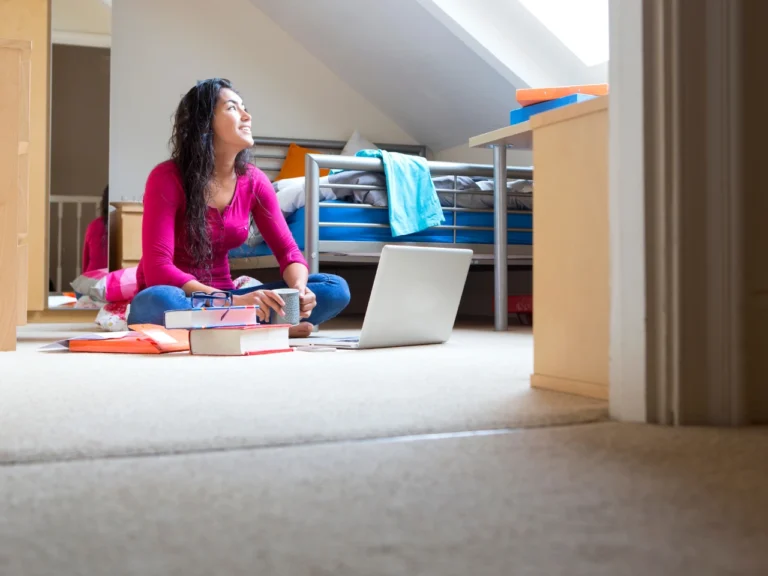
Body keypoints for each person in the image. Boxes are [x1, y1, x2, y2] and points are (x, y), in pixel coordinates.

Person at [126, 78, 350, 337]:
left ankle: (238, 326)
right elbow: (157, 269)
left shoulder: (255, 181)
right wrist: (228, 302)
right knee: (157, 300)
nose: (247, 116)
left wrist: (300, 290)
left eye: (245, 107)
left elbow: (288, 252)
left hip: (231, 299)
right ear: (204, 122)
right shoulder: (167, 177)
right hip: (185, 298)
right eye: (233, 108)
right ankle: (260, 327)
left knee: (334, 288)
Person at [82, 185, 109, 273]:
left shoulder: (94, 225)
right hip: (103, 281)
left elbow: (85, 261)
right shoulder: (123, 224)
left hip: (91, 280)